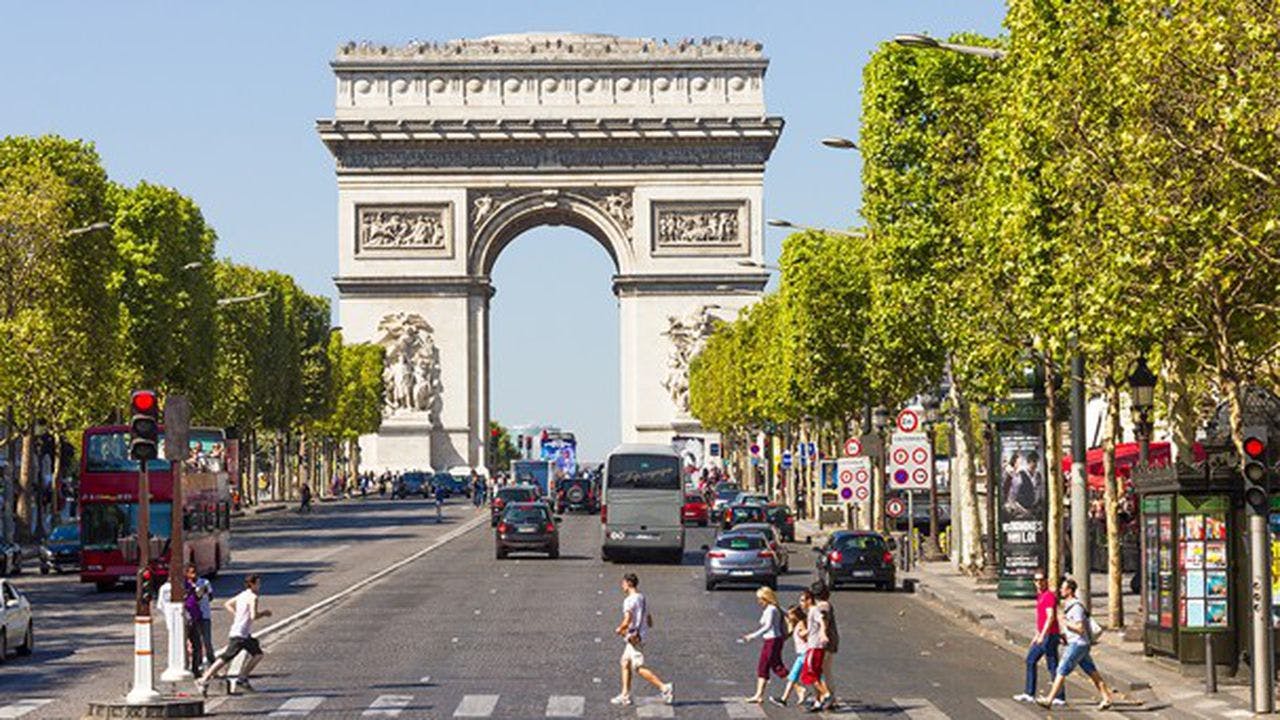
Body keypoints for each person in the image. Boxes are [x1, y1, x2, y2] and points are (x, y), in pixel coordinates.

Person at [1038, 578, 1114, 710]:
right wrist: (1065, 636)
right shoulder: (1069, 605)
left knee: (1061, 670)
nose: (1061, 590)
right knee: (1092, 672)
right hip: (1079, 643)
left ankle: (1049, 699)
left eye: (1063, 588)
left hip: (1077, 644)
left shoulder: (1076, 607)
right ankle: (1106, 697)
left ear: (1070, 590)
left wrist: (1064, 621)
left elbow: (1079, 628)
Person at [195, 574, 272, 696]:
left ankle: (242, 678)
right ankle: (205, 679)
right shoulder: (253, 597)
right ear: (252, 584)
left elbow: (227, 604)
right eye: (258, 583)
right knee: (226, 657)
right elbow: (253, 616)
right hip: (240, 634)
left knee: (257, 654)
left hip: (242, 633)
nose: (259, 586)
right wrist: (265, 613)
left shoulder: (242, 595)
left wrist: (237, 614)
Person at [611, 573, 674, 707]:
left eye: (622, 583)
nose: (621, 586)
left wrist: (619, 628)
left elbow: (627, 619)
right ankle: (625, 695)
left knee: (638, 667)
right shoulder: (643, 598)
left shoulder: (629, 600)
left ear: (628, 583)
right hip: (640, 635)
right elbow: (649, 620)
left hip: (634, 637)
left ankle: (664, 687)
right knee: (625, 662)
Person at [1014, 569, 1064, 705]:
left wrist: (1042, 635)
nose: (1039, 583)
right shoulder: (1041, 595)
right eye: (1036, 580)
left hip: (1049, 635)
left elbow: (1050, 617)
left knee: (1046, 663)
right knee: (1042, 662)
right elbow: (1041, 619)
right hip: (1045, 634)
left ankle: (1057, 696)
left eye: (1041, 580)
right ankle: (1034, 693)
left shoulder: (1048, 596)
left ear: (1046, 580)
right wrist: (1037, 634)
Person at [741, 586, 787, 703]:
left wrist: (752, 636)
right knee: (763, 667)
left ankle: (798, 687)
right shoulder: (774, 608)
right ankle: (758, 695)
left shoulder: (771, 609)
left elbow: (767, 626)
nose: (758, 601)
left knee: (777, 666)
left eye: (760, 598)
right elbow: (787, 613)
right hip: (771, 640)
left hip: (773, 640)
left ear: (766, 598)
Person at [798, 588, 833, 712]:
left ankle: (827, 695)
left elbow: (822, 622)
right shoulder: (811, 611)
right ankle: (817, 702)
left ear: (809, 600)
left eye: (803, 600)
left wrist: (823, 634)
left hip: (815, 647)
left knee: (810, 673)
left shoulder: (814, 610)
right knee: (816, 675)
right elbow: (815, 627)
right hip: (814, 646)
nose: (801, 603)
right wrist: (806, 632)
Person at [769, 605, 809, 708]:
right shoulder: (796, 624)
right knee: (793, 676)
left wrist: (803, 634)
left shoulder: (801, 623)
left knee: (815, 677)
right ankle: (784, 699)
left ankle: (826, 695)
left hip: (805, 654)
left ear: (796, 615)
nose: (789, 616)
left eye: (791, 614)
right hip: (801, 654)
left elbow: (805, 634)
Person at [810, 582, 840, 707]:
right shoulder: (826, 605)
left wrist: (822, 634)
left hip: (822, 643)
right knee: (827, 671)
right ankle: (828, 698)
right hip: (831, 642)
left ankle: (823, 697)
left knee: (815, 671)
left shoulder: (822, 606)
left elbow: (824, 620)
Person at [183, 563, 215, 676]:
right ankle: (199, 663)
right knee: (197, 642)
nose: (194, 575)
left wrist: (202, 594)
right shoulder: (185, 585)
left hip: (204, 615)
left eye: (195, 572)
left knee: (207, 641)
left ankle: (213, 662)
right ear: (186, 574)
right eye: (191, 572)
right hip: (193, 617)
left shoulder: (204, 582)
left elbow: (210, 596)